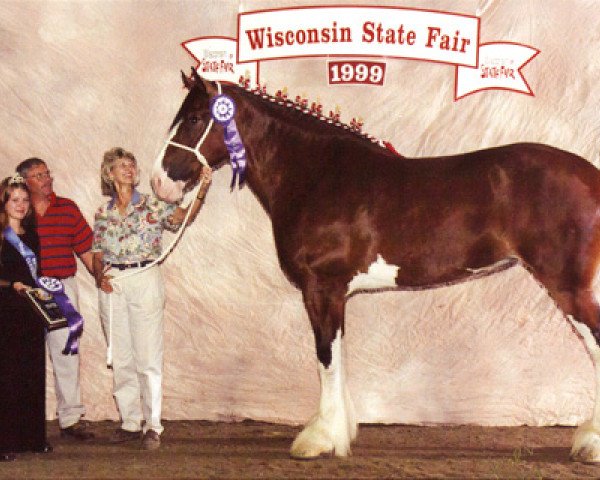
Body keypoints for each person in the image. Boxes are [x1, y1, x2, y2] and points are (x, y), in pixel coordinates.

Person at [92, 147, 211, 450]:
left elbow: (184, 218)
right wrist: (99, 276)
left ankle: (153, 425)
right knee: (121, 357)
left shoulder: (153, 205)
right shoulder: (103, 213)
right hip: (114, 283)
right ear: (110, 174)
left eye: (131, 164)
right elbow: (97, 252)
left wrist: (202, 190)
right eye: (121, 165)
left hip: (145, 278)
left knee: (147, 357)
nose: (128, 169)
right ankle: (130, 422)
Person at [16, 158, 95, 441]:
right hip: (27, 292)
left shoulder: (68, 208)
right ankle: (23, 420)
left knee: (66, 353)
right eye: (38, 175)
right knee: (23, 356)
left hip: (62, 289)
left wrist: (102, 276)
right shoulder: (17, 212)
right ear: (25, 181)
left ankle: (71, 419)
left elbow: (87, 249)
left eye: (47, 173)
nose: (46, 178)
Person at [0, 175, 52, 461]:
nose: (20, 205)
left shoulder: (32, 236)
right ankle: (4, 442)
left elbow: (38, 274)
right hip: (5, 311)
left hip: (29, 312)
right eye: (14, 200)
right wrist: (12, 285)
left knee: (31, 373)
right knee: (6, 376)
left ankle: (32, 437)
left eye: (24, 200)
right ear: (4, 202)